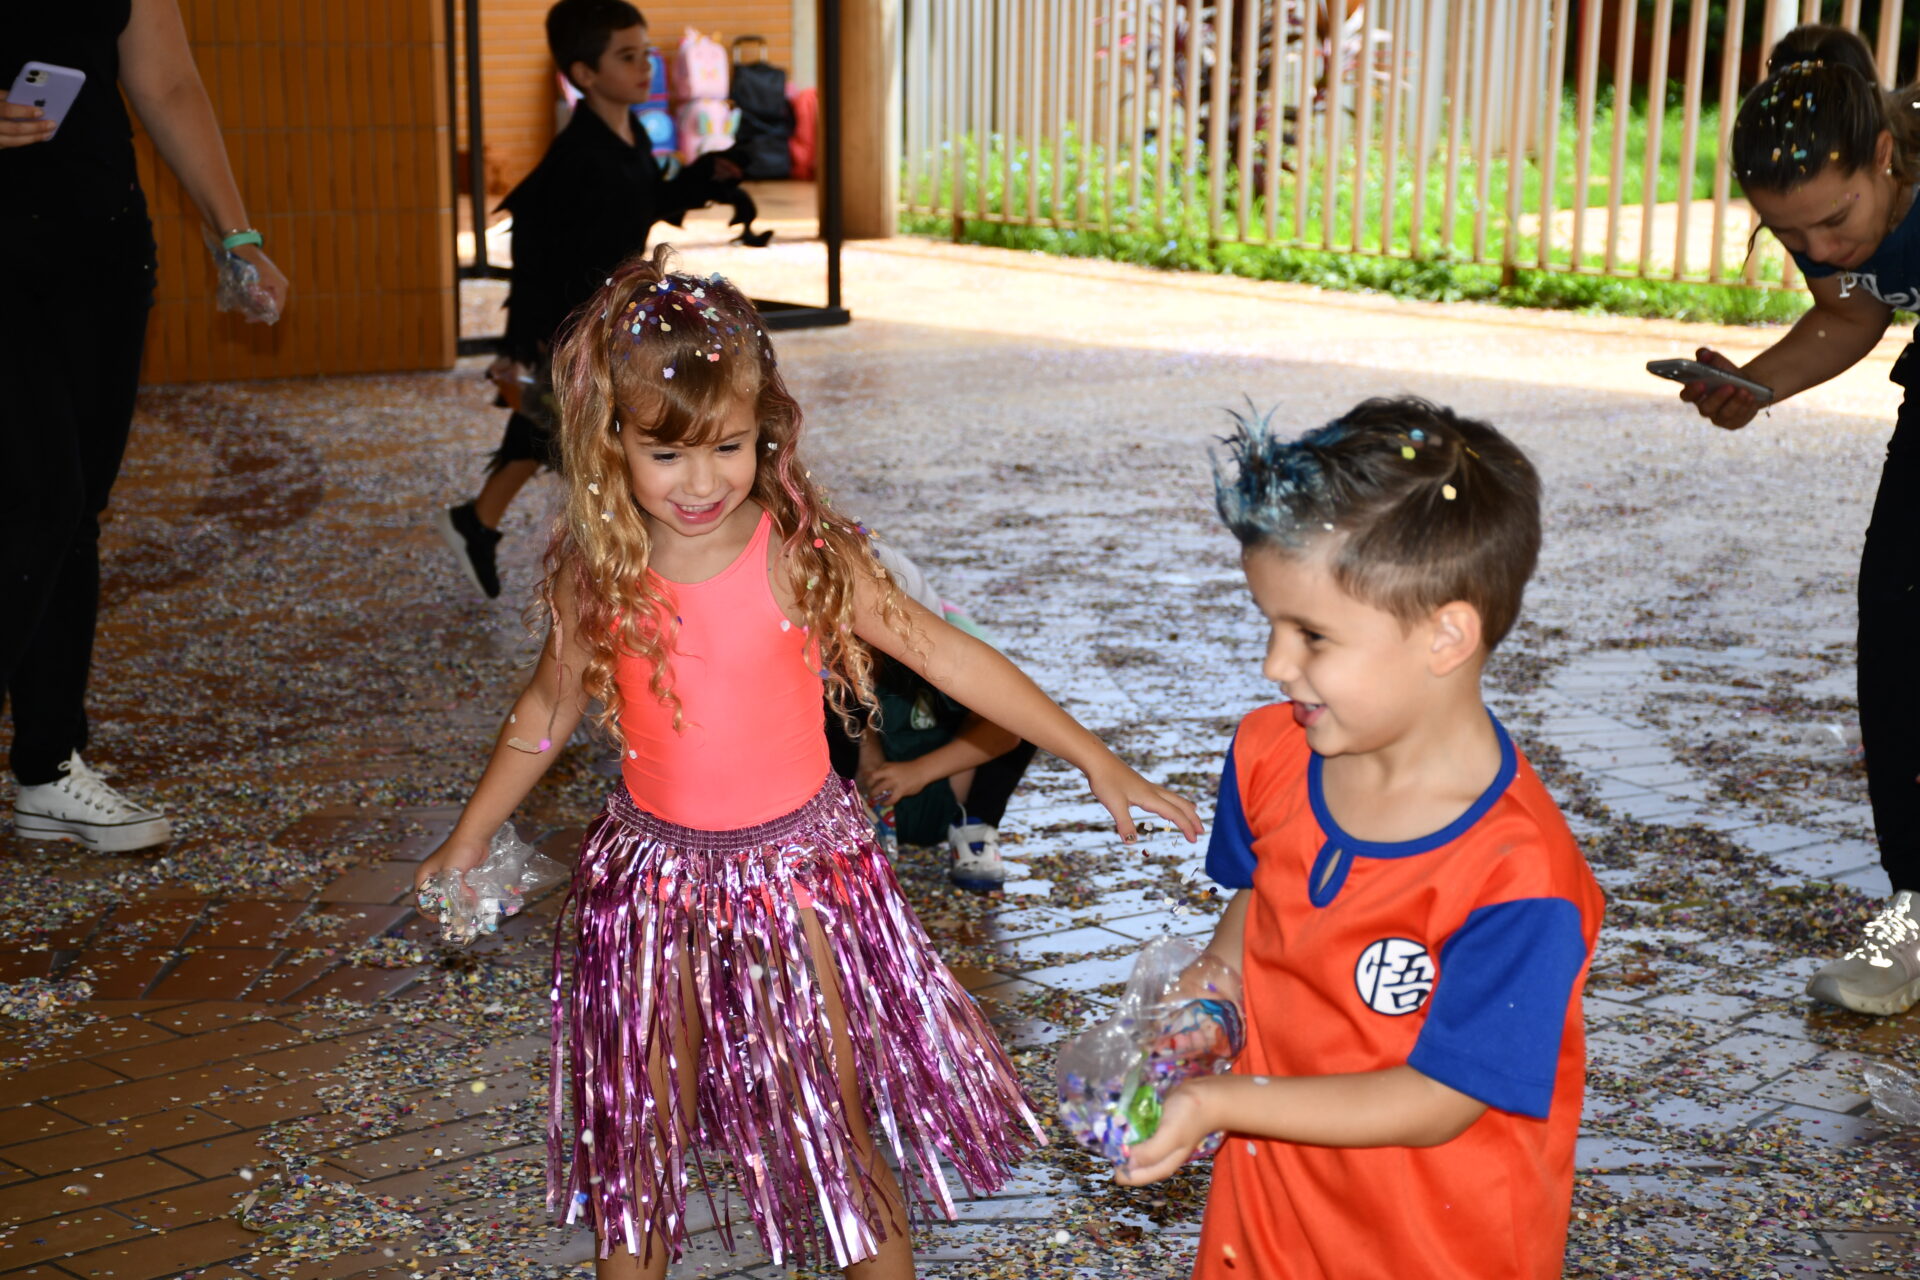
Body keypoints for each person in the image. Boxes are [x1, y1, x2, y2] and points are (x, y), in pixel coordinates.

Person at [412, 248, 1201, 1280]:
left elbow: (943, 650)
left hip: (800, 884)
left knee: (829, 1120)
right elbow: (545, 711)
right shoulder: (596, 575)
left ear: (763, 428)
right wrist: (469, 836)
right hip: (651, 891)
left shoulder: (796, 549)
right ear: (610, 444)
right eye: (666, 454)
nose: (702, 481)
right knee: (636, 1140)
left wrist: (1095, 756)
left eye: (728, 446)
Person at [1116, 399, 1604, 1280]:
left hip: (1432, 1248)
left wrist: (1226, 1101)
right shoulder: (1269, 753)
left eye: (1311, 635)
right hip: (1262, 1229)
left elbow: (1442, 1096)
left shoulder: (1520, 875)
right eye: (1269, 623)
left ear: (1446, 636)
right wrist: (1207, 1001)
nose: (1274, 663)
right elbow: (1262, 902)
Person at [0, 0, 290, 852]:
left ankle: (48, 770)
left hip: (98, 249)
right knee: (35, 504)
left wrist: (234, 232)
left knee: (72, 512)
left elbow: (165, 80)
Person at [1675, 24, 1920, 1017]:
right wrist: (1757, 383)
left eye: (1835, 218)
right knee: (1899, 630)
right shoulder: (1833, 224)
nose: (1821, 248)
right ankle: (1913, 917)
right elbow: (1854, 309)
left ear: (1888, 158)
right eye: (1792, 236)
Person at [436, 0, 747, 601]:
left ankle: (477, 523)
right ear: (584, 74)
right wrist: (528, 347)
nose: (645, 69)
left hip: (607, 319)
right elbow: (536, 251)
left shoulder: (625, 136)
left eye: (645, 54)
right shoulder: (578, 157)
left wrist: (705, 176)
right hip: (574, 325)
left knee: (549, 429)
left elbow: (643, 201)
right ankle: (626, 575)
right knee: (585, 440)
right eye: (627, 58)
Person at [824, 543, 1040, 892]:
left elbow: (1009, 729)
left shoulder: (945, 656)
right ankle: (849, 834)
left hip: (947, 787)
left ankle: (976, 828)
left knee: (1022, 709)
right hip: (871, 796)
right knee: (828, 704)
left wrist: (919, 772)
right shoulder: (837, 669)